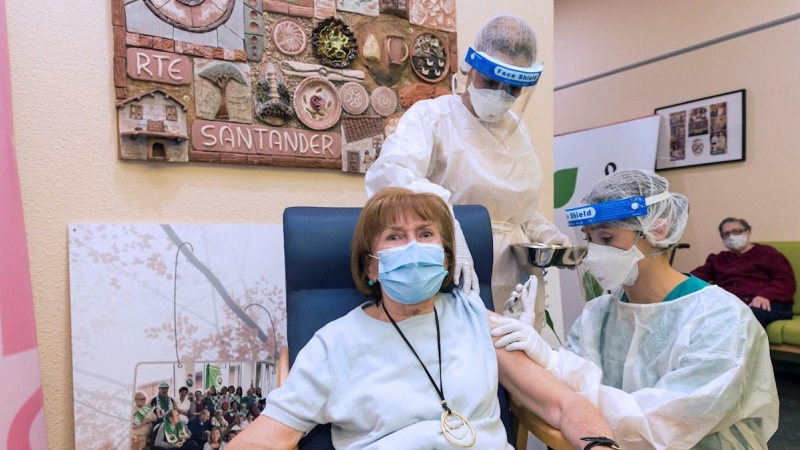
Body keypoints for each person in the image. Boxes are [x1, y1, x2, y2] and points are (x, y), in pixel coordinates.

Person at [228, 188, 615, 450]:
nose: (413, 246)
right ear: (371, 268)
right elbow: (265, 438)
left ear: (447, 259)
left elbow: (564, 405)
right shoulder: (334, 345)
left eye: (426, 233)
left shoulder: (476, 320)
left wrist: (601, 446)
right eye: (394, 236)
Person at [492, 170, 779, 449]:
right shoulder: (598, 313)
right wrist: (529, 352)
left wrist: (553, 364)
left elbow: (660, 426)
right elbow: (564, 396)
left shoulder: (722, 319)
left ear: (657, 230)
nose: (595, 252)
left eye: (606, 239)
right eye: (589, 240)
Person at [364, 14, 568, 327]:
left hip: (516, 274)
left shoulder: (519, 130)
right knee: (460, 355)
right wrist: (448, 221)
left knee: (518, 357)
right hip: (456, 263)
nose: (500, 94)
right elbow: (391, 177)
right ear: (469, 68)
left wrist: (544, 234)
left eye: (512, 88)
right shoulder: (432, 116)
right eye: (490, 82)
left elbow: (515, 209)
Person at [691, 217, 796, 328]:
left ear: (748, 232)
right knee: (699, 315)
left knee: (749, 315)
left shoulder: (767, 253)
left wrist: (765, 295)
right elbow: (696, 276)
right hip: (732, 306)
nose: (731, 237)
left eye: (736, 232)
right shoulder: (718, 259)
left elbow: (785, 281)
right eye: (726, 234)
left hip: (766, 303)